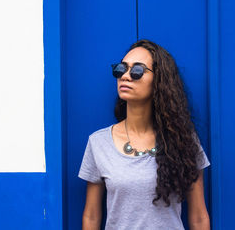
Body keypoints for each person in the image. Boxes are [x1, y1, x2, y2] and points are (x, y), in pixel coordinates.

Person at [78, 39, 211, 230]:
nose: (125, 76)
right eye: (121, 69)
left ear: (159, 80)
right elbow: (91, 217)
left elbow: (199, 217)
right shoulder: (98, 143)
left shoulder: (184, 140)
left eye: (137, 71)